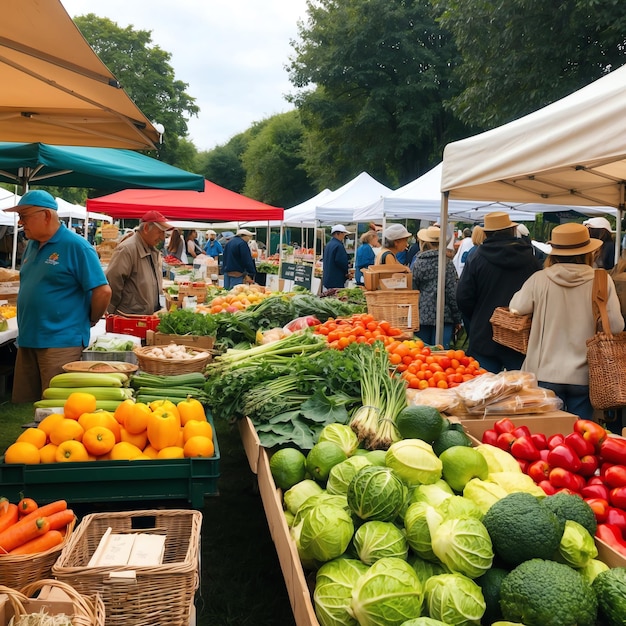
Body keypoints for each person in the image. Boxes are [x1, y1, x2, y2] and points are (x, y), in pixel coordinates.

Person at [5, 190, 111, 402]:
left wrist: (91, 318)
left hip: (60, 342)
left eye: (24, 215)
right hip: (29, 338)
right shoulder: (32, 245)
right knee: (27, 402)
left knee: (57, 405)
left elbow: (102, 291)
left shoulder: (77, 246)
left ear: (45, 215)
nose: (20, 221)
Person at [509, 222, 624, 419]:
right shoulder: (602, 281)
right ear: (589, 252)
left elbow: (516, 307)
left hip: (543, 372)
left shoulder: (539, 279)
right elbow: (615, 326)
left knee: (548, 440)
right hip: (586, 375)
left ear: (554, 252)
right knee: (579, 440)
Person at [457, 211, 542, 373]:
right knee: (519, 394)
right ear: (512, 231)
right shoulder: (531, 259)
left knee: (483, 393)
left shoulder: (477, 258)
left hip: (484, 334)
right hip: (520, 336)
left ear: (487, 233)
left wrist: (478, 316)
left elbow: (463, 297)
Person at [106, 210, 172, 316]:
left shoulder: (152, 250)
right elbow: (113, 283)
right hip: (129, 318)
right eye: (160, 232)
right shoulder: (127, 249)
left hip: (146, 318)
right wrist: (110, 314)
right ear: (146, 228)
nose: (163, 237)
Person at [412, 226, 461, 348]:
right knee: (441, 353)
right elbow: (452, 292)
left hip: (421, 314)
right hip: (444, 315)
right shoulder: (447, 263)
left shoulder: (418, 262)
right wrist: (457, 318)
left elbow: (413, 289)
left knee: (421, 352)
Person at [322, 224, 352, 290]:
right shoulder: (338, 245)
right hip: (336, 278)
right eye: (343, 233)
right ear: (338, 233)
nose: (344, 235)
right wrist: (346, 272)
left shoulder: (328, 244)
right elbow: (341, 261)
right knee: (335, 297)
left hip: (328, 277)